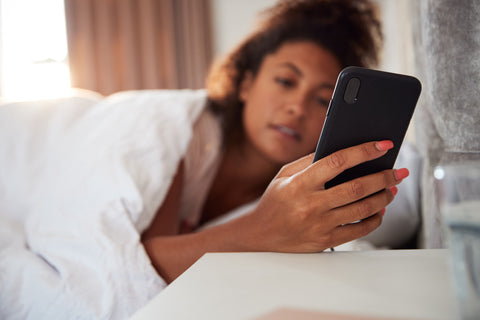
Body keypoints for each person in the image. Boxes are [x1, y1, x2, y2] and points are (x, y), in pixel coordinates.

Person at [0, 0, 418, 318]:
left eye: (324, 99)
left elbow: (146, 262)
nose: (297, 107)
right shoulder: (170, 128)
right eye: (285, 81)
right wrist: (259, 230)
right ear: (245, 84)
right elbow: (102, 274)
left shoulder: (281, 192)